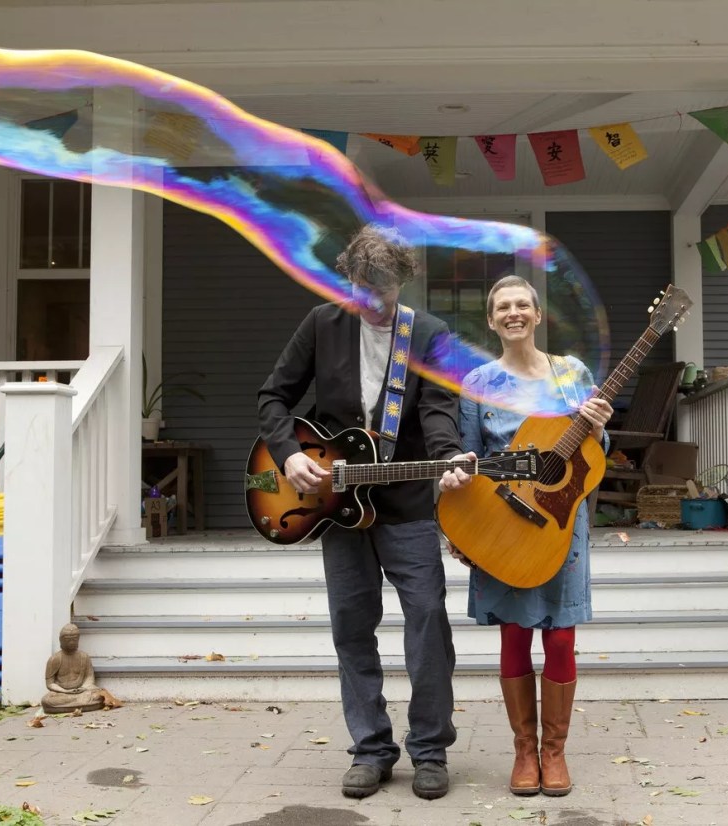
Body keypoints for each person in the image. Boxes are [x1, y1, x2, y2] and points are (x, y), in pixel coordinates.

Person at [258, 224, 474, 801]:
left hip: (405, 506)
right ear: (348, 279)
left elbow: (439, 410)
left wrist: (449, 459)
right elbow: (273, 396)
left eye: (386, 292)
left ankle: (430, 750)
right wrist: (290, 455)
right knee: (351, 628)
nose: (375, 305)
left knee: (428, 622)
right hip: (333, 505)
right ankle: (371, 749)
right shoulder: (320, 325)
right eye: (363, 291)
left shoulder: (428, 333)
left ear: (403, 282)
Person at [439, 275, 611, 797]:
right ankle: (523, 750)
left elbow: (593, 449)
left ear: (538, 316)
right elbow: (467, 458)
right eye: (502, 307)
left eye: (522, 305)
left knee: (560, 638)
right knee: (513, 635)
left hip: (561, 523)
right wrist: (453, 481)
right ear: (492, 321)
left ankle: (554, 752)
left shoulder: (571, 374)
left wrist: (600, 427)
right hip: (504, 526)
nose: (513, 313)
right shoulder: (479, 384)